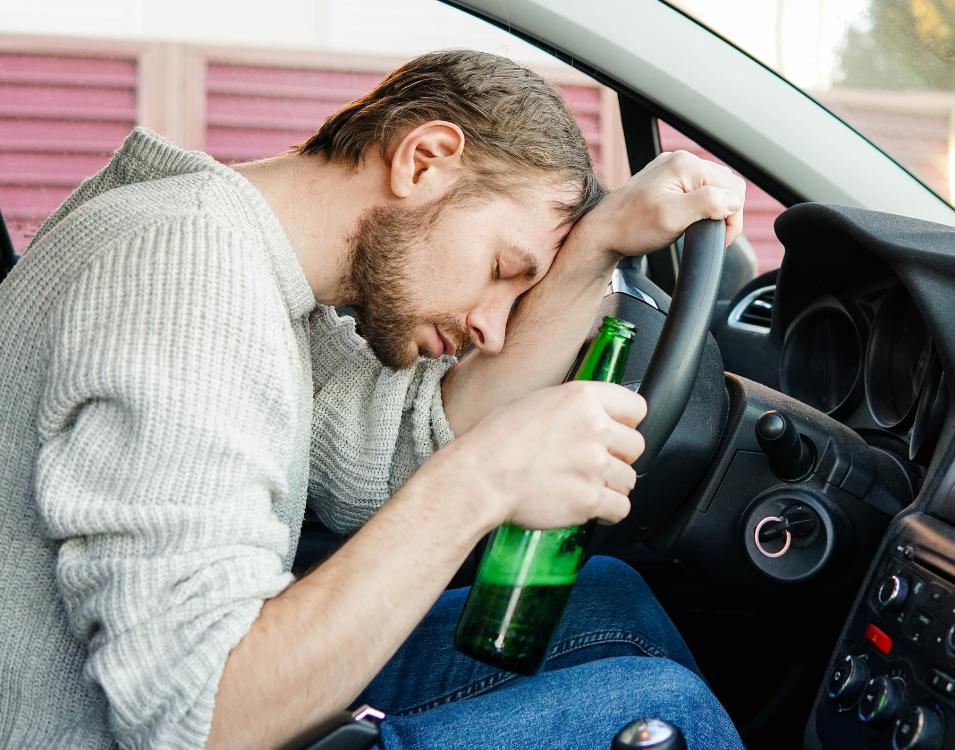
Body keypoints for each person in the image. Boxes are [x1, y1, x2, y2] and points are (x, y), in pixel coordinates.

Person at [0, 50, 746, 750]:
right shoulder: (186, 273)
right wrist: (485, 480)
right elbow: (199, 715)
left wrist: (594, 249)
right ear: (423, 160)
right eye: (501, 268)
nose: (492, 329)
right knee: (658, 711)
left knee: (608, 602)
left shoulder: (260, 271)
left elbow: (390, 451)